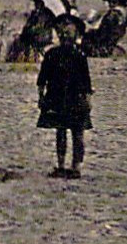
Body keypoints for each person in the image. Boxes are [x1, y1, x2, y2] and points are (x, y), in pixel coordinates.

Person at [37, 14, 93, 179]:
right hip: (59, 97)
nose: (65, 36)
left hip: (73, 98)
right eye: (63, 33)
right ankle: (64, 165)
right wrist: (41, 96)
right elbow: (42, 78)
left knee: (74, 133)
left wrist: (88, 99)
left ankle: (74, 166)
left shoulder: (79, 56)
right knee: (64, 132)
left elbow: (86, 81)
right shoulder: (52, 55)